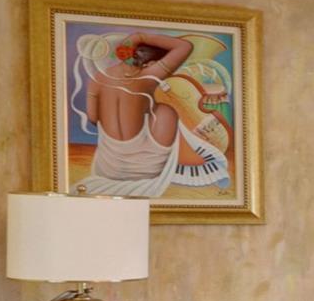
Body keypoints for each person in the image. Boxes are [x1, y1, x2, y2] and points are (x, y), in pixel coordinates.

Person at [75, 29, 225, 197]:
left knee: (157, 111)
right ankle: (187, 157)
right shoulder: (148, 75)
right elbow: (185, 46)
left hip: (109, 167)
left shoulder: (97, 78)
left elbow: (93, 118)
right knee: (166, 111)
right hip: (146, 171)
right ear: (150, 63)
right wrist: (140, 36)